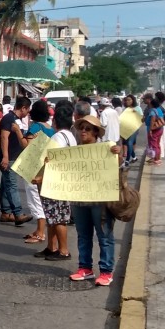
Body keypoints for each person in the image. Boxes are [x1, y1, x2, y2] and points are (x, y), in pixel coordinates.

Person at [69, 115, 120, 286]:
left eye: (88, 129)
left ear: (96, 133)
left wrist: (117, 155)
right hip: (79, 200)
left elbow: (119, 165)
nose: (83, 131)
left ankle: (106, 271)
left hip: (100, 201)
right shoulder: (73, 152)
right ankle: (85, 268)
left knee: (104, 236)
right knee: (83, 236)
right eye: (81, 128)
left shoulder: (106, 149)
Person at [33, 102, 76, 261]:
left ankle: (63, 250)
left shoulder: (58, 137)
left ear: (56, 121)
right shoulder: (70, 136)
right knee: (52, 216)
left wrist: (39, 178)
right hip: (63, 181)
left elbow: (52, 162)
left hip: (56, 183)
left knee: (58, 218)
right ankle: (51, 247)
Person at [22, 100, 55, 245]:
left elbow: (28, 148)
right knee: (41, 198)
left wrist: (18, 133)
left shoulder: (35, 127)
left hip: (33, 167)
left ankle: (40, 233)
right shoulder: (50, 128)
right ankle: (39, 230)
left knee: (35, 199)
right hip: (46, 167)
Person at [0, 96, 32, 226]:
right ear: (23, 108)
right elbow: (4, 137)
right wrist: (5, 157)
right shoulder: (9, 119)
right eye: (27, 110)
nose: (27, 113)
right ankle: (18, 213)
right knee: (12, 185)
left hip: (15, 156)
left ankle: (6, 212)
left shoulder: (17, 120)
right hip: (9, 157)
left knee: (5, 184)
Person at [144, 93, 165, 166]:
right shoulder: (159, 110)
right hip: (160, 129)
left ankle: (156, 159)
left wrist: (150, 129)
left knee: (154, 145)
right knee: (157, 144)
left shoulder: (152, 111)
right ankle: (157, 158)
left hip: (154, 130)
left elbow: (152, 120)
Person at [122, 94, 143, 166]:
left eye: (129, 100)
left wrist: (135, 113)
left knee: (129, 143)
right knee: (129, 143)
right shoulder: (125, 109)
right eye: (126, 100)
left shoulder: (137, 108)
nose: (127, 101)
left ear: (133, 100)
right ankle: (134, 157)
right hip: (126, 128)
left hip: (134, 128)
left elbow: (141, 119)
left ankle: (127, 160)